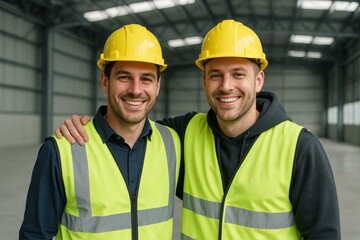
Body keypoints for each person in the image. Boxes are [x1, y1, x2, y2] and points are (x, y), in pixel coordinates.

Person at [55, 20, 341, 239]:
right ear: (204, 81)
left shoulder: (298, 147)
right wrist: (87, 125)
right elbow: (131, 125)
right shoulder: (183, 134)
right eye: (216, 74)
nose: (226, 85)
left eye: (238, 74)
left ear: (259, 80)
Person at [19, 24, 181, 239]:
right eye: (124, 77)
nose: (135, 89)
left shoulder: (173, 142)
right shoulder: (62, 150)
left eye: (146, 78)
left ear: (158, 86)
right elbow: (35, 235)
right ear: (105, 82)